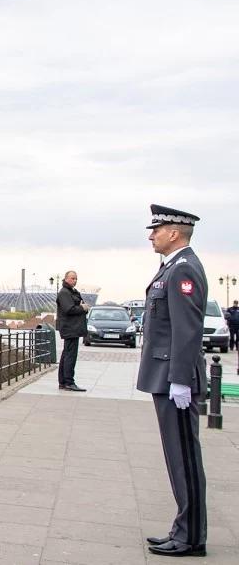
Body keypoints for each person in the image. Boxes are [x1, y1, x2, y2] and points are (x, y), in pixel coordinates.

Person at [138, 204, 208, 557]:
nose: (152, 236)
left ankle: (191, 537)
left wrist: (180, 379)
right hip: (165, 377)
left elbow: (188, 330)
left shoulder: (185, 270)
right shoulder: (171, 268)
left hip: (174, 379)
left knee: (185, 459)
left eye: (156, 229)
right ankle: (183, 528)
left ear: (174, 232)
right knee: (176, 458)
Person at [55, 270, 90, 392]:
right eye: (72, 278)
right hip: (70, 328)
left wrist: (81, 306)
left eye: (76, 278)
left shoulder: (71, 292)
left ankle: (64, 382)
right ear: (66, 279)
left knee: (66, 355)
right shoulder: (64, 293)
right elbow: (68, 309)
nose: (74, 280)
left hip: (73, 328)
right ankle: (69, 382)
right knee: (70, 356)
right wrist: (82, 308)